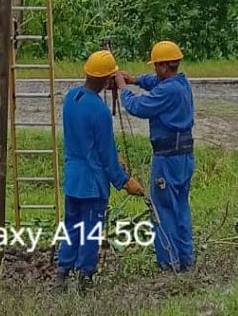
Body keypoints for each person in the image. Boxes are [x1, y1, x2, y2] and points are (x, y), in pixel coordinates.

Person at [57, 50, 144, 291]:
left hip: (73, 178)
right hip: (92, 183)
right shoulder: (100, 111)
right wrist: (125, 181)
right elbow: (106, 156)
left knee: (72, 226)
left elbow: (85, 140)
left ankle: (62, 274)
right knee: (91, 231)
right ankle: (85, 278)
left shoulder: (71, 98)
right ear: (107, 80)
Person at [116, 40, 195, 271]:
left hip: (167, 158)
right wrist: (135, 80)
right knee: (180, 207)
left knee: (163, 209)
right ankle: (185, 260)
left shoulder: (167, 90)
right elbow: (154, 82)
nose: (153, 71)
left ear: (163, 66)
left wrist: (123, 87)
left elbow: (138, 107)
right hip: (184, 156)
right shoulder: (180, 83)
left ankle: (168, 262)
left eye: (155, 67)